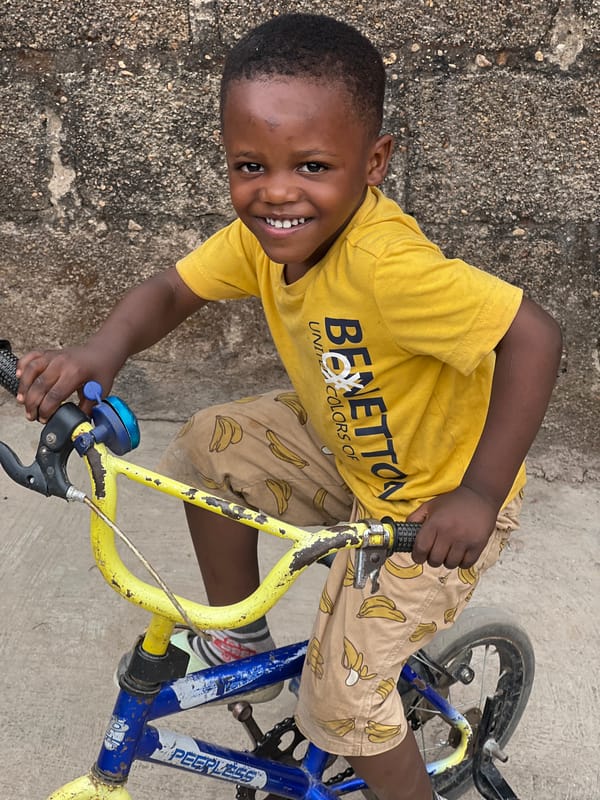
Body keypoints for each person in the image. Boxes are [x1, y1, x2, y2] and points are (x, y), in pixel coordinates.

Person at [16, 14, 562, 800]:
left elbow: (533, 337)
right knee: (209, 443)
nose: (275, 191)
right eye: (249, 165)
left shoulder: (389, 267)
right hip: (352, 451)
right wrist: (99, 353)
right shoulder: (264, 235)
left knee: (340, 706)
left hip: (428, 498)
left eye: (311, 164)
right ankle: (241, 635)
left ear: (373, 163)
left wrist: (477, 493)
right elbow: (172, 288)